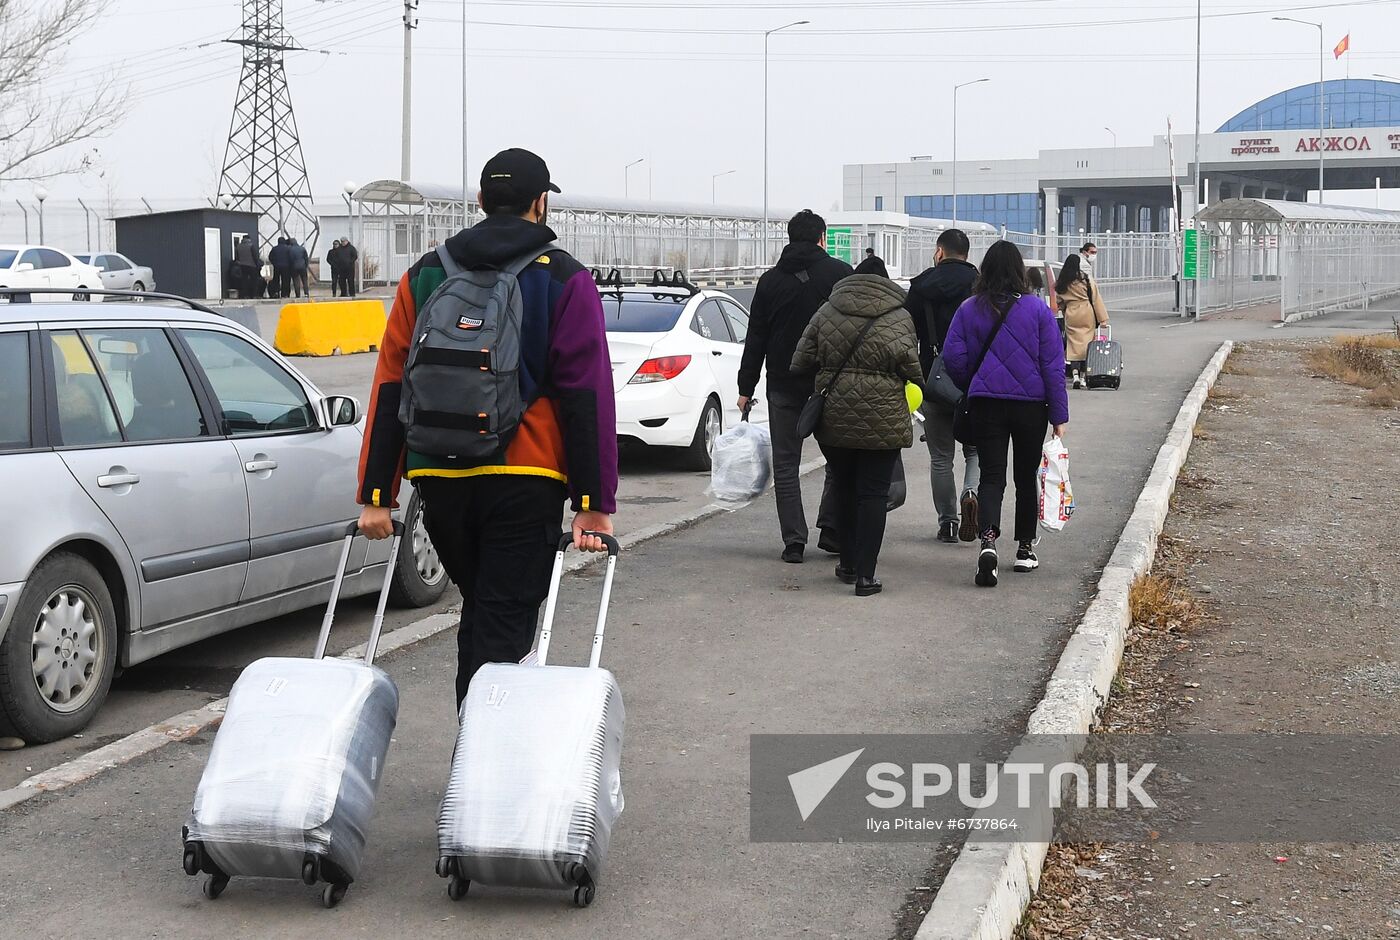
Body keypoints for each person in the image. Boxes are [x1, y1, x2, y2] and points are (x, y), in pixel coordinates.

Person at [355, 147, 617, 707]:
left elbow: (391, 384)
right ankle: (481, 773)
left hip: (439, 479)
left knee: (482, 613)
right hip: (524, 477)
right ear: (540, 203)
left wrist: (378, 493)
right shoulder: (564, 278)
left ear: (479, 201)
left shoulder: (425, 274)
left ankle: (475, 758)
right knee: (503, 627)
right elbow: (586, 394)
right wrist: (593, 501)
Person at [943, 241, 1069, 588]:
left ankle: (987, 541)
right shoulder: (1039, 311)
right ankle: (1025, 548)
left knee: (991, 475)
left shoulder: (969, 309)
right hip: (1031, 406)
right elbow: (1053, 366)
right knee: (1025, 476)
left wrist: (975, 381)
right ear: (1019, 271)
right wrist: (1059, 415)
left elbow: (953, 357)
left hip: (986, 404)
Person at [791, 274, 922, 597]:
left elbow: (800, 360)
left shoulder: (826, 311)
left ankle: (847, 564)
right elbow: (913, 371)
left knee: (844, 485)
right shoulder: (900, 317)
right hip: (884, 417)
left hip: (835, 416)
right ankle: (866, 576)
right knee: (873, 494)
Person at [737, 209, 853, 564]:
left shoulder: (770, 281)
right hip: (830, 385)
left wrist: (746, 387)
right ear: (822, 238)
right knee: (840, 460)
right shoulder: (841, 275)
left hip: (784, 385)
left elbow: (756, 336)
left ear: (789, 238)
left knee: (786, 465)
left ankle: (794, 542)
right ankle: (832, 530)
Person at [905, 228, 981, 544]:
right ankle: (971, 492)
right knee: (975, 451)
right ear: (966, 253)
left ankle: (948, 523)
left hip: (932, 379)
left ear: (939, 251)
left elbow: (906, 332)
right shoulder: (981, 286)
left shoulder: (921, 287)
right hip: (975, 382)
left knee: (941, 458)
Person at [1055, 252, 1109, 389]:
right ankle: (1084, 377)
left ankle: (1075, 376)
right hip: (1086, 312)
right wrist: (1103, 319)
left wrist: (1064, 308)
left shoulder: (1062, 281)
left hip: (1071, 313)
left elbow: (1059, 301)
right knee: (1087, 346)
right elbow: (1096, 299)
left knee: (1073, 346)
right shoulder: (1085, 279)